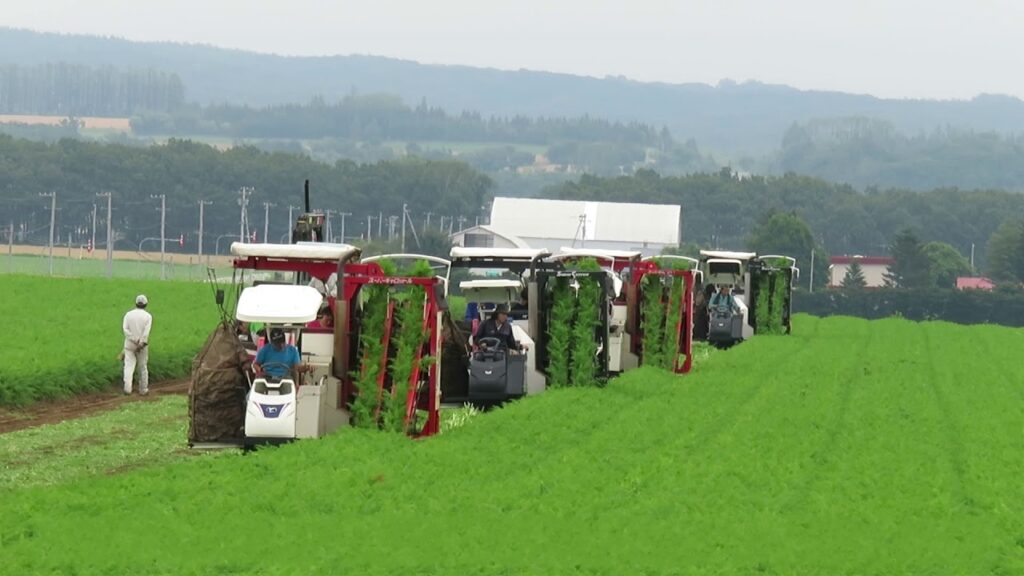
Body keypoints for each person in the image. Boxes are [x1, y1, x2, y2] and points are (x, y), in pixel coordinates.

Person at [122, 294, 153, 395]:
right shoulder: (148, 316)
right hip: (142, 345)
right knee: (142, 366)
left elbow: (125, 329)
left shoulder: (128, 314)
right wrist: (140, 342)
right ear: (145, 304)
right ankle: (143, 390)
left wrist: (133, 339)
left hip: (129, 344)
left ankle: (127, 388)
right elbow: (146, 333)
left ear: (136, 303)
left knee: (128, 366)